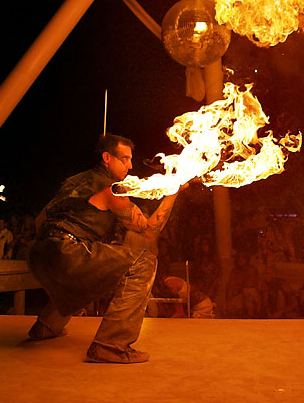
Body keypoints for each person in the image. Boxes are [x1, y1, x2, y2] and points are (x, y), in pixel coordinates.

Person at [26, 134, 185, 364]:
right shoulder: (112, 190)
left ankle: (46, 327)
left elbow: (41, 220)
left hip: (37, 255)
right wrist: (173, 192)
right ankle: (111, 345)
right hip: (68, 253)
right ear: (107, 158)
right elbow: (149, 231)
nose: (130, 165)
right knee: (144, 262)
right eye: (125, 159)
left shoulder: (72, 182)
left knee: (98, 266)